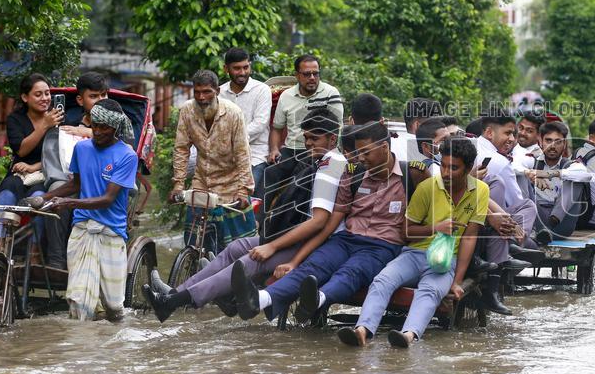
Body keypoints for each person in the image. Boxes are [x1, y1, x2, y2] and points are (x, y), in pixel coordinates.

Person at [142, 109, 346, 322]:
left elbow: (319, 221)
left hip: (314, 245)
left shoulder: (330, 165)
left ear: (332, 138)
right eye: (306, 138)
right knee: (235, 248)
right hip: (297, 236)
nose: (309, 143)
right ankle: (174, 294)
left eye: (315, 138)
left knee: (250, 260)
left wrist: (272, 246)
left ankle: (173, 302)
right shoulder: (320, 161)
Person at [232, 122, 407, 325]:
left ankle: (318, 299)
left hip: (381, 247)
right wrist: (295, 262)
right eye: (358, 153)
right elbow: (331, 223)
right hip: (346, 240)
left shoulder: (411, 176)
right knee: (314, 266)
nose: (360, 159)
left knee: (351, 271)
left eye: (366, 153)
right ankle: (260, 299)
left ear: (384, 148)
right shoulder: (353, 174)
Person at [338, 137, 489, 348]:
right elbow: (406, 231)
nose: (445, 173)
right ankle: (362, 330)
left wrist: (457, 281)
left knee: (430, 291)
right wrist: (435, 228)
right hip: (414, 254)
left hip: (446, 261)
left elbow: (470, 237)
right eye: (443, 166)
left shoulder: (480, 191)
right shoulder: (428, 187)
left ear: (468, 169)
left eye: (453, 168)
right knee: (382, 280)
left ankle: (408, 335)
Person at [36, 100, 138, 321]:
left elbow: (108, 199)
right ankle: (80, 351)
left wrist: (68, 204)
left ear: (115, 129)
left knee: (114, 307)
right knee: (79, 301)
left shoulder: (127, 156)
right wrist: (42, 198)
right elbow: (75, 185)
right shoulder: (81, 148)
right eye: (95, 125)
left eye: (105, 128)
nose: (98, 132)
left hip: (111, 231)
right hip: (82, 229)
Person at [171, 69, 255, 253]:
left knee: (234, 247)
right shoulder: (187, 110)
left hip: (231, 182)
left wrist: (243, 190)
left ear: (217, 90)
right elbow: (181, 149)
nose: (201, 97)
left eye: (207, 91)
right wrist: (178, 184)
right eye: (197, 92)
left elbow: (243, 153)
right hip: (202, 180)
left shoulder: (233, 113)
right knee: (194, 240)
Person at [474, 106, 540, 315]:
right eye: (508, 133)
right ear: (489, 133)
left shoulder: (472, 145)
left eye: (514, 133)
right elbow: (516, 200)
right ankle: (510, 244)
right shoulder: (500, 162)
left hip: (478, 215)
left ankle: (511, 241)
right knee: (528, 206)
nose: (513, 138)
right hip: (480, 222)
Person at [0, 74, 63, 251]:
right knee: (7, 192)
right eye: (38, 94)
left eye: (47, 93)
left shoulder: (58, 118)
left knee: (38, 198)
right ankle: (0, 244)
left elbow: (62, 154)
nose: (45, 98)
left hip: (47, 173)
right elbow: (21, 150)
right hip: (19, 172)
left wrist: (34, 166)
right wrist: (44, 126)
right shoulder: (15, 119)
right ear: (25, 98)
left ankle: (34, 249)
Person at [265, 55, 343, 194]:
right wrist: (274, 149)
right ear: (297, 75)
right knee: (269, 174)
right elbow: (277, 129)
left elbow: (336, 129)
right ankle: (257, 215)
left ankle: (290, 214)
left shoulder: (330, 93)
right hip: (291, 149)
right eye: (307, 74)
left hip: (319, 150)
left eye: (316, 73)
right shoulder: (286, 96)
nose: (312, 77)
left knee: (300, 176)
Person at [219, 48, 272, 196]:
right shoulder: (219, 93)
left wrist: (232, 139)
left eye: (245, 67)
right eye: (236, 68)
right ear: (226, 69)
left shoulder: (262, 90)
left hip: (255, 155)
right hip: (224, 156)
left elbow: (260, 124)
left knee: (244, 195)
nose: (242, 72)